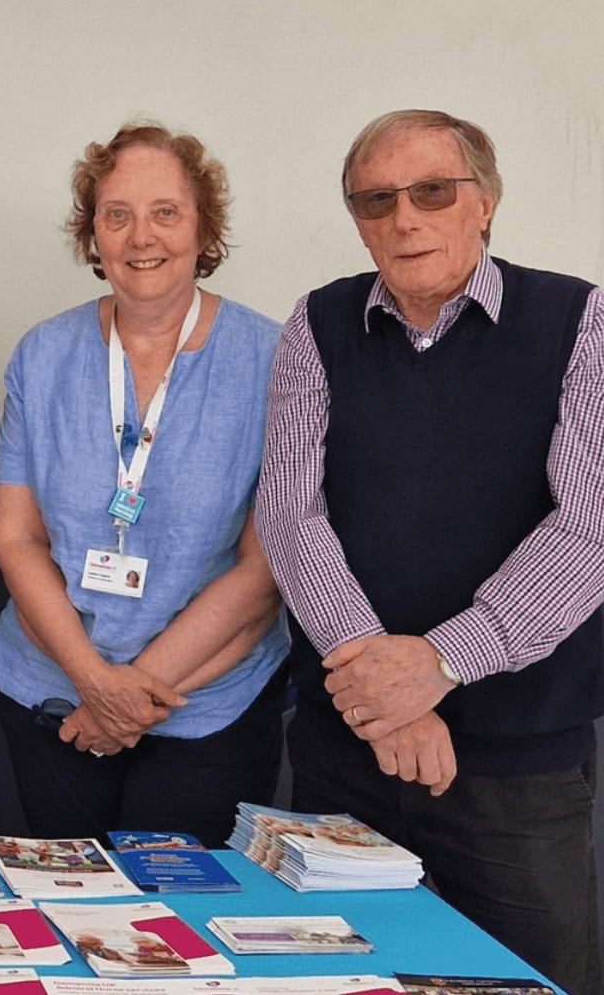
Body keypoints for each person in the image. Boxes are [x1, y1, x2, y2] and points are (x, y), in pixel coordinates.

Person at [256, 109, 604, 995]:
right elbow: (292, 515)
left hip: (516, 767)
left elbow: (587, 526)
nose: (404, 217)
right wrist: (389, 695)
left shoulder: (580, 319)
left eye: (431, 191)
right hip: (347, 750)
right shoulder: (316, 323)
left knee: (531, 985)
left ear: (483, 203)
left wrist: (442, 663)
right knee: (337, 980)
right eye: (376, 199)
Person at [0, 124, 288, 846]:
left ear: (203, 227)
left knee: (185, 933)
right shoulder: (44, 354)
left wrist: (128, 696)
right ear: (92, 235)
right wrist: (93, 680)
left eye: (165, 212)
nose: (140, 235)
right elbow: (15, 535)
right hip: (53, 690)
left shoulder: (274, 358)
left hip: (210, 702)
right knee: (73, 915)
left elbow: (263, 568)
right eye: (116, 214)